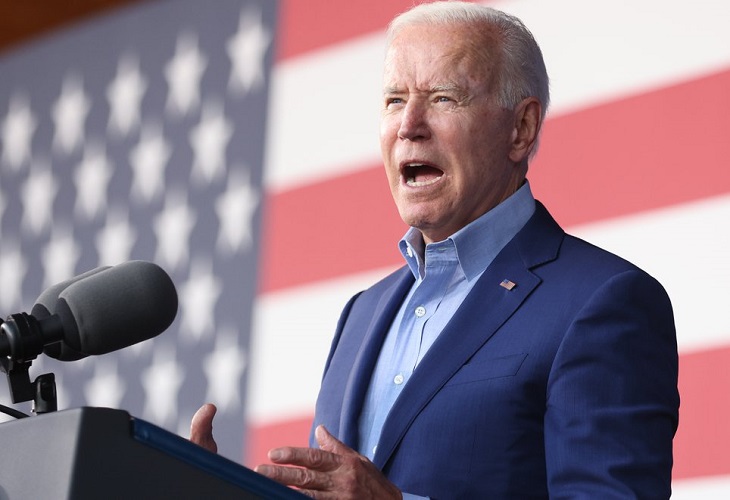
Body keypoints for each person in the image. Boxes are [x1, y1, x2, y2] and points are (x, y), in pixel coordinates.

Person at [191, 2, 680, 498]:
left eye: (444, 98)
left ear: (521, 129)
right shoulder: (361, 315)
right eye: (394, 100)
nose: (409, 125)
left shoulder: (604, 303)